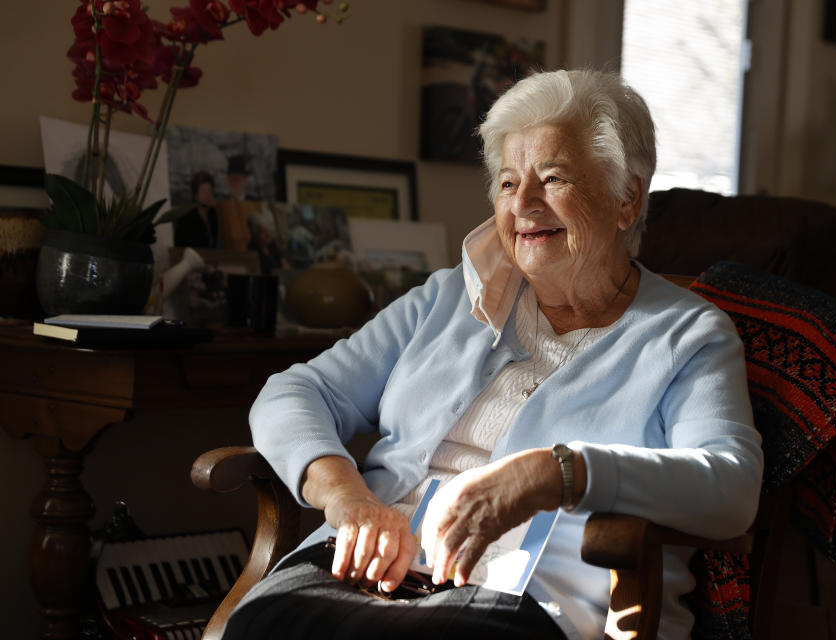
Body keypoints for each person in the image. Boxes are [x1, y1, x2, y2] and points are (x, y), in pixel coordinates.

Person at [223, 69, 763, 640]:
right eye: (508, 183)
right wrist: (349, 500)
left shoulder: (687, 335)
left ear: (626, 198)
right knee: (261, 626)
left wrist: (556, 472)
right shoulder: (449, 297)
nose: (524, 204)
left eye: (552, 178)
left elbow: (729, 486)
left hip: (529, 592)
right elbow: (297, 391)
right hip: (365, 565)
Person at [174, 170, 218, 247]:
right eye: (204, 192)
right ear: (196, 195)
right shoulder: (186, 219)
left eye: (209, 191)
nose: (207, 196)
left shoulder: (215, 215)